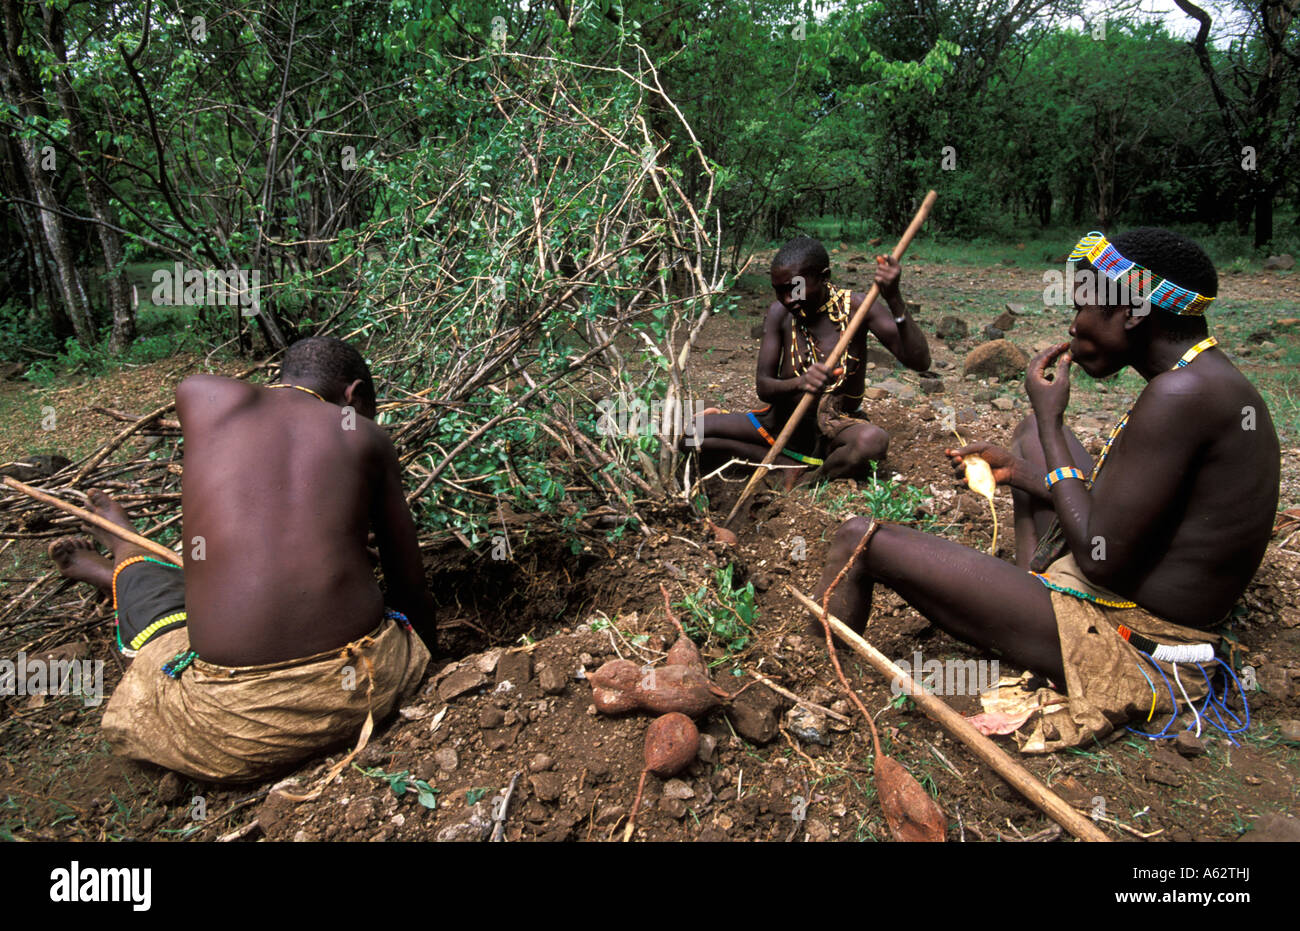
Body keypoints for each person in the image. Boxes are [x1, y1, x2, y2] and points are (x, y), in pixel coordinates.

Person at [812, 228, 1279, 752]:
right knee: (1029, 440)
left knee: (859, 539)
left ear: (1132, 313)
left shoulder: (1179, 396)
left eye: (1085, 308)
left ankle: (819, 691)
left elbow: (1101, 560)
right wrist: (1024, 469)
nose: (1074, 325)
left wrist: (1053, 423)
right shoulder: (1203, 378)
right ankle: (1019, 590)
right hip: (1129, 585)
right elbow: (1130, 518)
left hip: (1133, 642)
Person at [48, 336, 435, 782]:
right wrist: (429, 660)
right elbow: (410, 583)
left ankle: (126, 553)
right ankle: (121, 562)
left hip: (235, 722)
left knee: (171, 619)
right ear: (354, 397)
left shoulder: (202, 396)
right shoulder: (367, 434)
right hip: (366, 689)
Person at [691, 236, 930, 486]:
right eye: (779, 290)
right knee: (685, 430)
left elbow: (920, 362)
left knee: (872, 442)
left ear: (823, 276)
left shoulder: (859, 308)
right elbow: (764, 387)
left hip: (835, 428)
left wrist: (894, 298)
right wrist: (801, 383)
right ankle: (786, 468)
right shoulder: (780, 313)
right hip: (778, 425)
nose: (786, 298)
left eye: (794, 288)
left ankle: (813, 478)